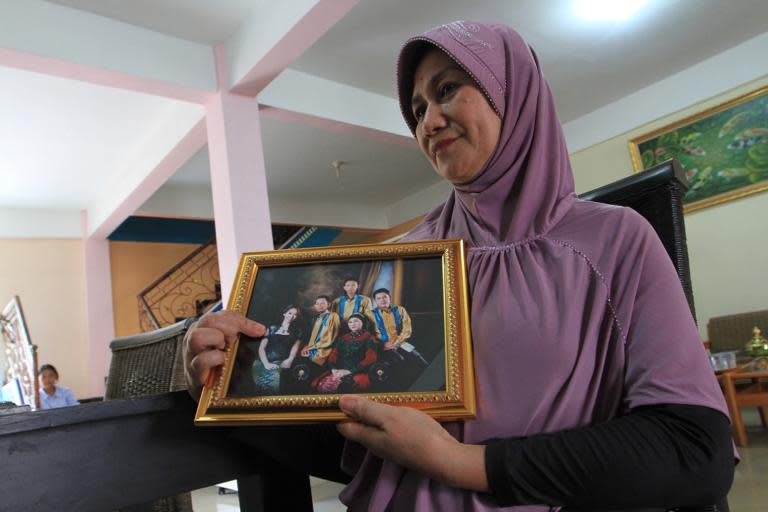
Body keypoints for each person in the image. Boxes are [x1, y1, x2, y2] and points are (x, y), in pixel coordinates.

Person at [184, 21, 734, 511]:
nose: (429, 119)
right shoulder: (408, 258)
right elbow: (352, 435)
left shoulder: (614, 239)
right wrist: (224, 379)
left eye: (447, 89)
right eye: (417, 109)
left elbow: (692, 449)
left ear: (512, 95)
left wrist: (457, 462)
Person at [314, 314, 379, 394]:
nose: (353, 324)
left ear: (362, 323)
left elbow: (370, 359)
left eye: (356, 321)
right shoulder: (343, 338)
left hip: (357, 371)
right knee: (322, 386)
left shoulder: (369, 338)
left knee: (346, 388)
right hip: (339, 370)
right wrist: (334, 369)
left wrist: (349, 371)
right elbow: (333, 355)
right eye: (350, 322)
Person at [251, 305, 303, 394]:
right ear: (284, 313)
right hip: (262, 362)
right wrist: (266, 363)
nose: (291, 316)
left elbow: (295, 348)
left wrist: (290, 359)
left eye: (295, 315)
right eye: (290, 313)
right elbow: (261, 348)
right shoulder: (271, 328)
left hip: (280, 363)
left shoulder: (298, 331)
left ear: (296, 318)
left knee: (273, 389)